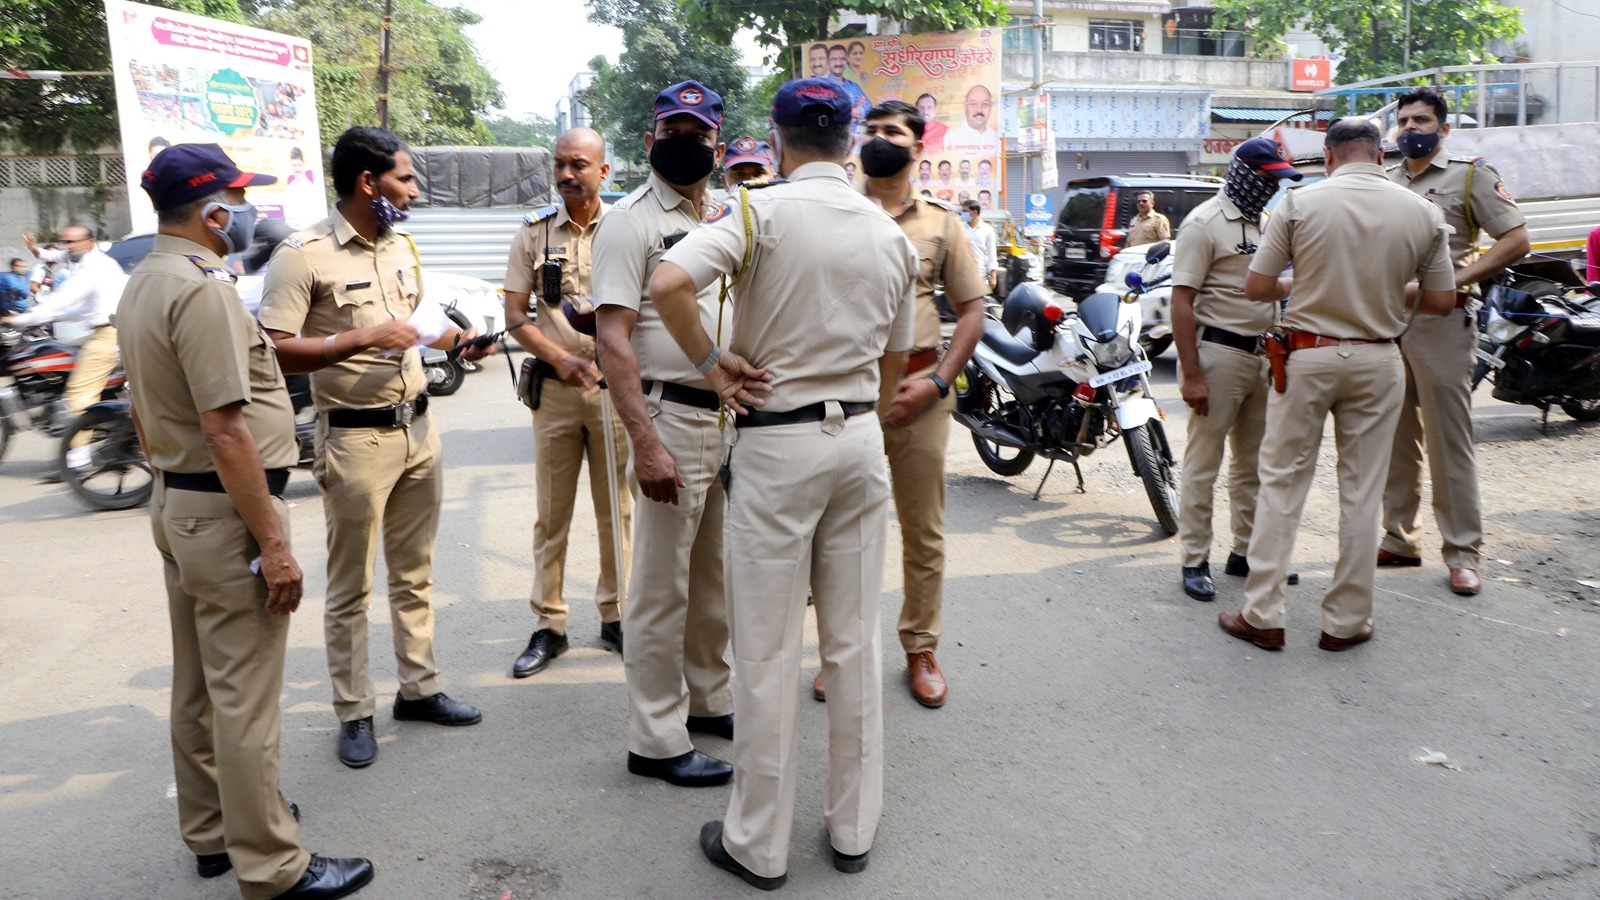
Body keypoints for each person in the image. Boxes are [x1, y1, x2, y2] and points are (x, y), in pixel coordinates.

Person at [649, 77, 918, 890]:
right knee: (853, 642)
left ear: (778, 137)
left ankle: (758, 844)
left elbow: (667, 284)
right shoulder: (888, 230)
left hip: (777, 443)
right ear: (849, 141)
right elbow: (898, 360)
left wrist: (711, 363)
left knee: (765, 649)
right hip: (860, 439)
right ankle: (852, 827)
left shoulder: (758, 211)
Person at [119, 142, 373, 900]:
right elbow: (228, 429)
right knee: (246, 696)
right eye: (239, 197)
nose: (248, 211)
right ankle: (272, 865)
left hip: (181, 501)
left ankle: (212, 832)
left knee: (199, 684)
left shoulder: (146, 278)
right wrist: (273, 544)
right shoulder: (200, 290)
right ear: (215, 212)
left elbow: (140, 408)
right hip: (226, 512)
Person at [259, 126, 489, 769]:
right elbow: (275, 345)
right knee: (352, 587)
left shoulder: (400, 245)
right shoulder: (303, 255)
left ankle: (418, 689)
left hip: (419, 428)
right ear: (368, 182)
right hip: (356, 438)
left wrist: (458, 343)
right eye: (405, 179)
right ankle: (354, 710)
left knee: (414, 574)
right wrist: (352, 342)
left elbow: (417, 323)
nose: (414, 190)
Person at [1218, 117, 1457, 653]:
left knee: (1280, 482)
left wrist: (1303, 280)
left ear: (1328, 157)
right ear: (1379, 156)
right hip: (1378, 359)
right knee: (1363, 491)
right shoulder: (1422, 211)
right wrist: (1392, 282)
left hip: (1306, 356)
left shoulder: (1299, 204)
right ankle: (1345, 623)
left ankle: (1263, 615)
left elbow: (1258, 288)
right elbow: (1441, 301)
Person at [810, 99, 988, 710]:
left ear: (917, 146)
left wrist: (939, 382)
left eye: (895, 131)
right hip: (843, 393)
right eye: (873, 130)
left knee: (922, 529)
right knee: (840, 531)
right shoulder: (833, 209)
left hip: (918, 393)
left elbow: (971, 311)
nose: (881, 138)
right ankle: (841, 653)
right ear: (857, 143)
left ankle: (920, 647)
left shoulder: (941, 222)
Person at [593, 80, 736, 791]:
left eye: (696, 131)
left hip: (719, 417)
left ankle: (708, 699)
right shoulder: (629, 222)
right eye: (671, 130)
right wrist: (643, 441)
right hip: (667, 418)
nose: (684, 141)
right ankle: (655, 737)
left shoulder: (726, 215)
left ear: (717, 139)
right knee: (657, 589)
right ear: (650, 139)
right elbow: (612, 341)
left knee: (710, 580)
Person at [1381, 87, 1529, 598]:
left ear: (1443, 129)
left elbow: (1516, 238)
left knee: (1449, 440)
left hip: (1443, 322)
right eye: (1403, 121)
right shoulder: (1387, 180)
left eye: (1420, 120)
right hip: (1388, 322)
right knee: (1395, 435)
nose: (1409, 129)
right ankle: (1399, 537)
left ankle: (1462, 552)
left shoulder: (1469, 174)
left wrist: (1461, 277)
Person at [501, 126, 633, 679]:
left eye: (578, 165)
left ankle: (618, 615)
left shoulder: (627, 230)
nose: (565, 175)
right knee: (552, 515)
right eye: (559, 164)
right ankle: (549, 624)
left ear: (604, 171)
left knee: (618, 511)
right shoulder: (533, 234)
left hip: (612, 393)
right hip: (555, 394)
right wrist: (562, 359)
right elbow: (514, 316)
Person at [1170, 138, 1302, 601]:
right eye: (1266, 179)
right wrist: (1191, 374)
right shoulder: (1203, 226)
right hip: (1219, 357)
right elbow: (1181, 302)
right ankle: (1194, 559)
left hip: (1263, 358)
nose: (1271, 188)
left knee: (1254, 465)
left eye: (1276, 181)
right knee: (1204, 464)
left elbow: (1268, 289)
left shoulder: (1267, 223)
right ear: (1244, 173)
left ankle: (1245, 553)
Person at [7, 226, 128, 437]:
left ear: (91, 241)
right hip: (104, 330)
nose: (68, 247)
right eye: (65, 242)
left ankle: (79, 460)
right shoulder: (75, 257)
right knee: (63, 357)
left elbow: (60, 300)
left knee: (79, 393)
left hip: (109, 334)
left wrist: (19, 319)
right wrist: (34, 248)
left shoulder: (94, 268)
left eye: (73, 242)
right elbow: (78, 307)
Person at [943, 84, 998, 157]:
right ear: (965, 107)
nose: (979, 109)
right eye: (973, 103)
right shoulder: (952, 136)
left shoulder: (997, 138)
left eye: (985, 104)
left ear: (991, 107)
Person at [961, 198, 998, 295]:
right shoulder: (959, 228)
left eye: (965, 211)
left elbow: (992, 254)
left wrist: (993, 276)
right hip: (962, 274)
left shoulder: (987, 229)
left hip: (979, 273)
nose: (963, 214)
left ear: (975, 212)